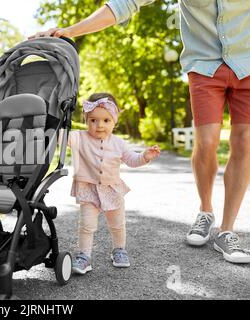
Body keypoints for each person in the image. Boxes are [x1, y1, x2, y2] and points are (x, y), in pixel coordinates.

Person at [31, 0, 250, 264]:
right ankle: (206, 211)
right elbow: (125, 3)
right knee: (207, 140)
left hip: (247, 64)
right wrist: (71, 30)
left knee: (245, 142)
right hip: (204, 67)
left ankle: (226, 230)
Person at [65, 92, 160, 274]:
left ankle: (119, 249)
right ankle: (84, 256)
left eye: (106, 121)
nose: (99, 125)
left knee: (117, 223)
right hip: (88, 189)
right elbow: (60, 137)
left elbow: (132, 159)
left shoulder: (118, 143)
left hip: (112, 190)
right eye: (93, 120)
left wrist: (145, 157)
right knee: (86, 225)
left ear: (114, 121)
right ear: (86, 120)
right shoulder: (78, 138)